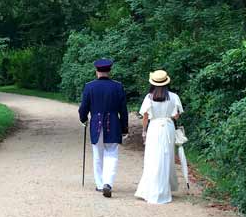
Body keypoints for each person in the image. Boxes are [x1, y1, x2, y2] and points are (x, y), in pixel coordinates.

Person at [78, 58, 129, 197]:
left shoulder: (89, 86)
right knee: (111, 154)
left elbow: (84, 107)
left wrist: (83, 119)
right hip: (113, 124)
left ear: (97, 71)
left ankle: (100, 184)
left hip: (96, 124)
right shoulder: (118, 86)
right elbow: (123, 110)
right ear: (109, 71)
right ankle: (108, 183)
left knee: (98, 155)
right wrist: (124, 127)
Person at [135, 70, 184, 205]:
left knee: (153, 157)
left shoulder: (149, 97)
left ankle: (150, 189)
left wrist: (144, 131)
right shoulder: (174, 97)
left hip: (155, 127)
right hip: (168, 127)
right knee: (166, 156)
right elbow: (176, 115)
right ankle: (164, 188)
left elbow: (145, 116)